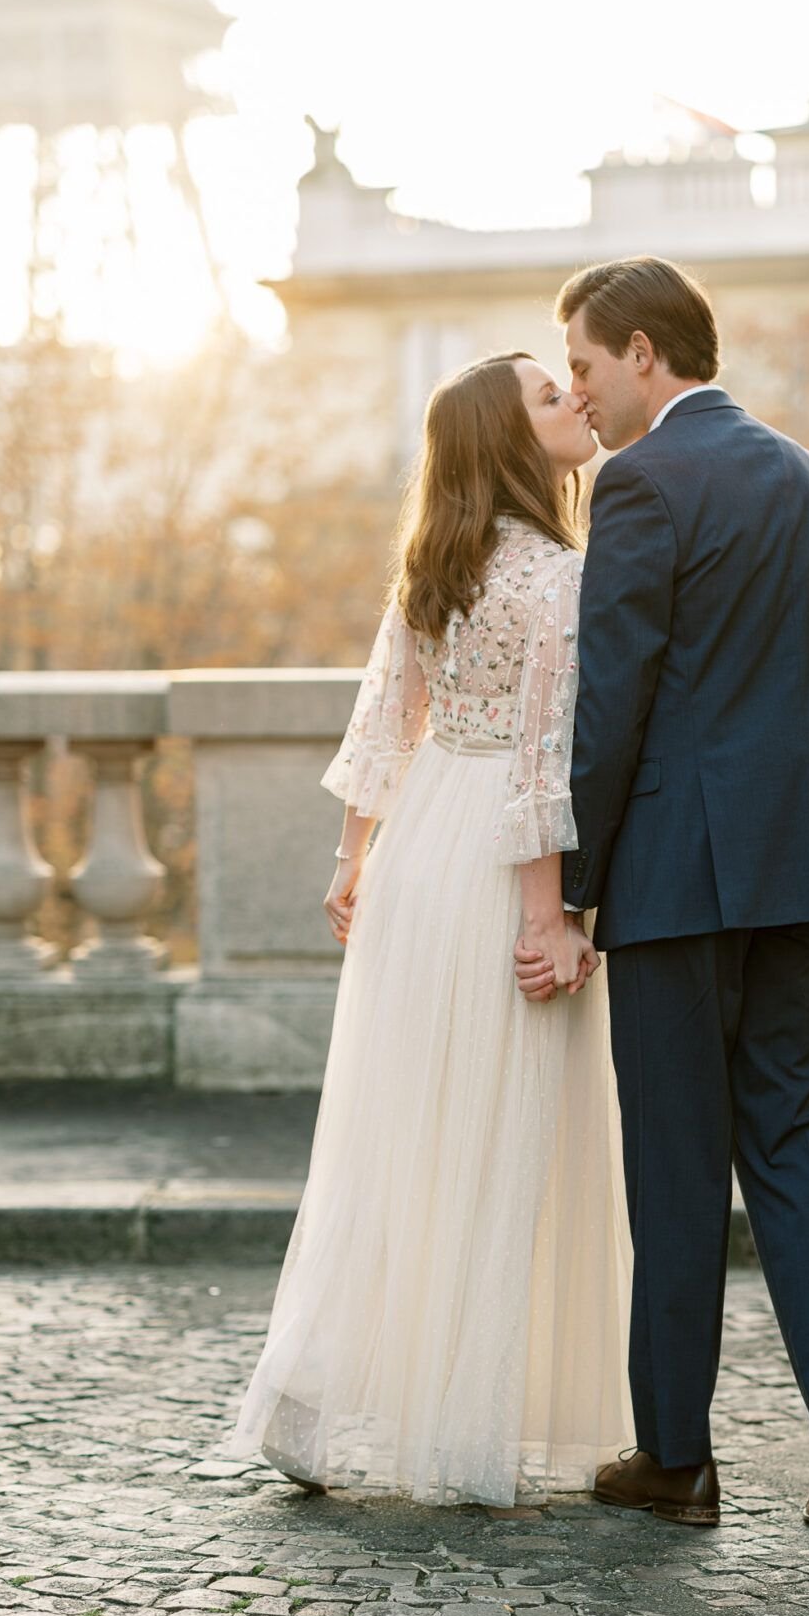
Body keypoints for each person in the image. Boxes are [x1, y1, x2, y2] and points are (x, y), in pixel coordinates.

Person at [516, 257, 809, 1534]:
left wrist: (575, 887)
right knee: (797, 1148)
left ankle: (678, 1458)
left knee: (679, 1166)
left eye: (581, 364)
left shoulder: (643, 482)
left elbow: (613, 702)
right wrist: (797, 800)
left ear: (644, 353)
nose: (577, 394)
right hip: (797, 870)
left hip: (678, 880)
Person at [226, 353, 634, 1505]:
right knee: (497, 1132)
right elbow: (544, 765)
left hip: (419, 849)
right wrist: (549, 916)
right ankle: (462, 1426)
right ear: (512, 443)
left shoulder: (433, 564)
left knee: (393, 1129)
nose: (574, 402)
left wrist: (354, 858)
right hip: (499, 862)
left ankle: (307, 1401)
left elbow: (385, 724)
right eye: (551, 397)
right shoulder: (559, 578)